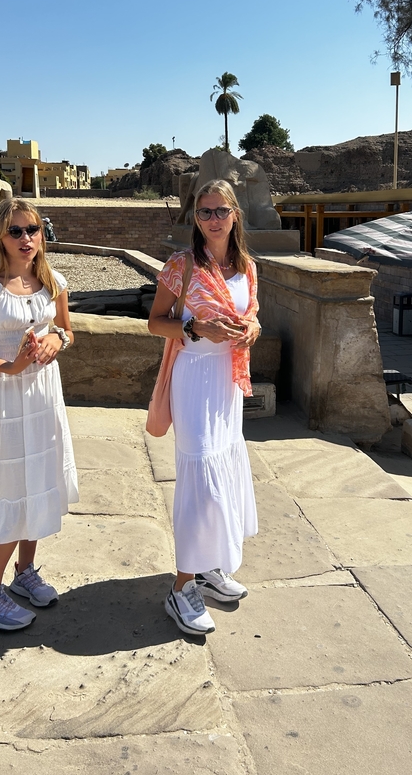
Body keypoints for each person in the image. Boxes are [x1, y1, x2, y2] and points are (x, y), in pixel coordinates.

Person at [0, 198, 78, 630]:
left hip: (45, 392)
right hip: (7, 397)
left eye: (33, 229)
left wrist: (56, 341)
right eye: (16, 232)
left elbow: (66, 329)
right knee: (12, 487)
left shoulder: (53, 281)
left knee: (39, 478)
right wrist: (10, 365)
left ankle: (24, 572)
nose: (26, 239)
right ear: (0, 239)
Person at [148, 179, 261, 635]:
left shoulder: (246, 267)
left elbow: (251, 313)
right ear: (195, 218)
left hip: (227, 382)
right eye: (204, 212)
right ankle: (181, 587)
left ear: (235, 215)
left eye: (220, 211)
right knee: (200, 475)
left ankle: (211, 565)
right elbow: (157, 323)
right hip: (193, 377)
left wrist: (251, 329)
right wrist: (196, 330)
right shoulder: (182, 265)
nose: (212, 220)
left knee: (224, 468)